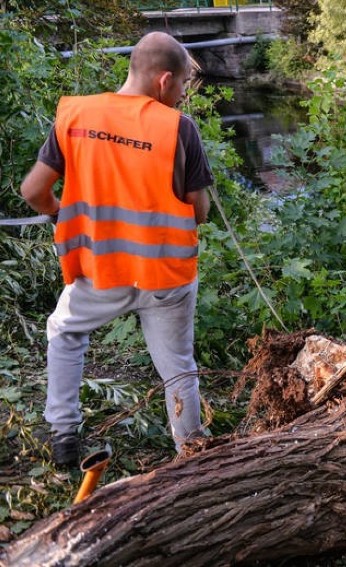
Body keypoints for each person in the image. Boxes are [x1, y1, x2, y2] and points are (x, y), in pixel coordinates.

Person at [20, 32, 214, 466]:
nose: (183, 95)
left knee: (65, 331)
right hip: (165, 274)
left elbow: (33, 190)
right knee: (179, 369)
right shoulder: (177, 128)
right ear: (164, 80)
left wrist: (60, 213)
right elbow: (199, 211)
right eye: (183, 85)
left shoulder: (76, 114)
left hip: (101, 269)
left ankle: (64, 432)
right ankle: (194, 454)